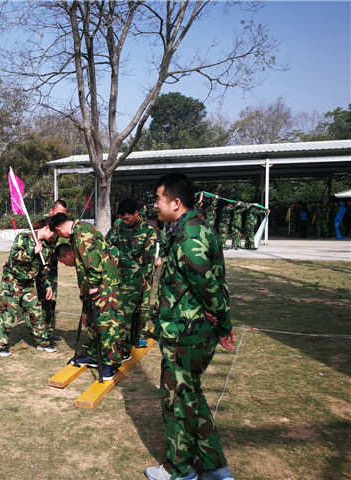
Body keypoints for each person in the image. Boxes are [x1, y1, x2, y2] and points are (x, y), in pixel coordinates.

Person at [145, 173, 236, 480]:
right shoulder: (193, 227)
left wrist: (223, 324)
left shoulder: (189, 237)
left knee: (177, 403)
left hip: (185, 335)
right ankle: (215, 467)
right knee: (190, 396)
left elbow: (208, 286)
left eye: (158, 199)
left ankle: (180, 470)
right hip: (190, 331)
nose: (155, 204)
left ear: (176, 202)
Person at [49, 213, 123, 381]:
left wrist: (94, 286)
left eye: (58, 234)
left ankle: (111, 363)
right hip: (94, 286)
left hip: (103, 285)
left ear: (59, 229)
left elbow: (93, 260)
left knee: (105, 323)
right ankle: (94, 355)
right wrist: (85, 291)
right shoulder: (77, 233)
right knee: (92, 321)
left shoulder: (81, 231)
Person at [0, 218, 56, 356]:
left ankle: (42, 342)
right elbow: (15, 256)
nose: (54, 236)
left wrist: (48, 286)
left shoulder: (46, 246)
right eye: (53, 232)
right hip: (12, 281)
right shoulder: (24, 237)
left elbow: (44, 267)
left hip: (28, 283)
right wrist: (33, 251)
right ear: (46, 229)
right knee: (8, 313)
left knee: (35, 312)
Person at [105, 198, 157, 349]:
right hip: (122, 273)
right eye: (122, 218)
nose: (124, 221)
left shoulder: (148, 230)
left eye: (127, 218)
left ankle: (140, 335)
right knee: (122, 306)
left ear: (136, 213)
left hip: (141, 274)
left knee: (142, 306)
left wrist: (144, 277)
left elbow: (149, 259)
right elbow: (107, 244)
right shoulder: (118, 225)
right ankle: (121, 335)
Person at [36, 199, 68, 344]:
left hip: (52, 268)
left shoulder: (59, 224)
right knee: (43, 301)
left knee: (51, 300)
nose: (62, 216)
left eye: (65, 214)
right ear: (51, 211)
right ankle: (42, 333)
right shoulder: (43, 223)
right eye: (60, 213)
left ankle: (49, 331)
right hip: (42, 269)